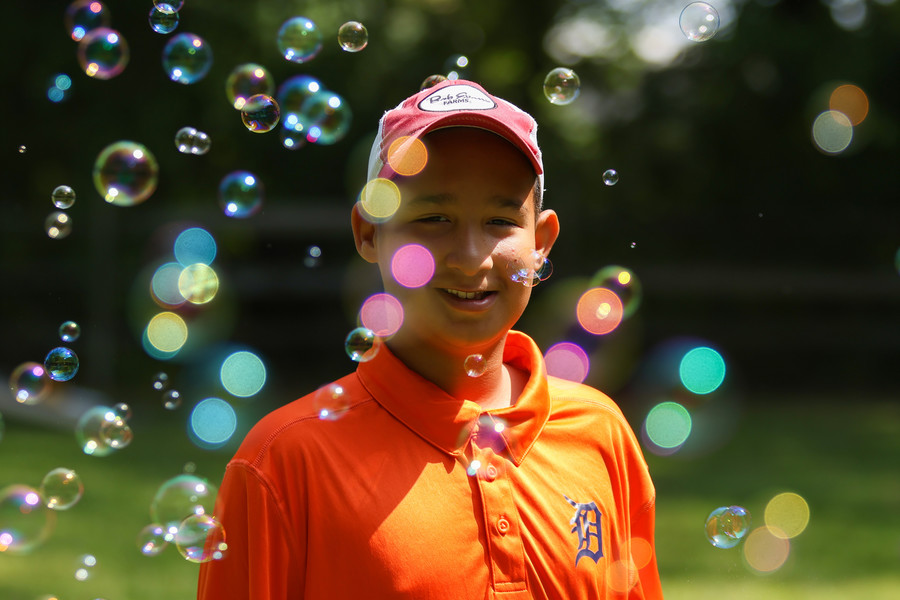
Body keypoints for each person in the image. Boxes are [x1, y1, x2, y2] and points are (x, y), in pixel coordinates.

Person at [197, 78, 663, 599]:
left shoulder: (601, 433)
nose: (470, 255)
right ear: (369, 233)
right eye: (433, 218)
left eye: (500, 221)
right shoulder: (286, 461)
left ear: (542, 243)